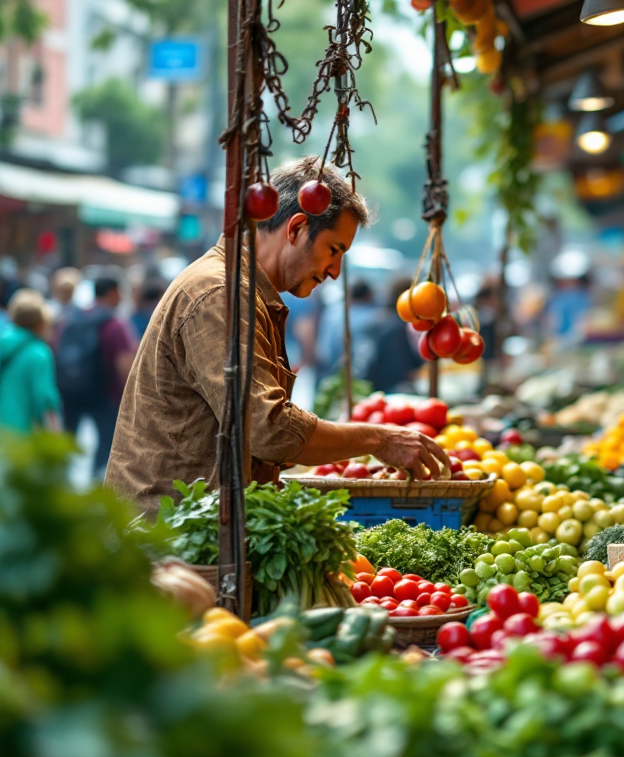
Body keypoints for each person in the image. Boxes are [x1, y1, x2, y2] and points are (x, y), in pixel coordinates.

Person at [105, 156, 448, 516]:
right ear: (297, 228)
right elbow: (269, 430)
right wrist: (379, 438)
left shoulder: (245, 291)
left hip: (191, 529)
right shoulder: (221, 293)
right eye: (334, 251)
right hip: (164, 538)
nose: (335, 271)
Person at [55, 275, 137, 478]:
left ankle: (59, 481)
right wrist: (130, 396)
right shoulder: (115, 325)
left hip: (70, 390)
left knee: (67, 439)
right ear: (112, 292)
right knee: (106, 443)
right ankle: (96, 481)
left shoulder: (72, 318)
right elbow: (124, 363)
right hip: (103, 393)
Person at [0, 289, 62, 434]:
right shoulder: (39, 353)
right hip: (24, 431)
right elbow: (45, 396)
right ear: (42, 321)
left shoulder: (3, 343)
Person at [360, 277, 423, 394]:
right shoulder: (397, 325)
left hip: (373, 388)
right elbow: (399, 364)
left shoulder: (377, 319)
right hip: (391, 389)